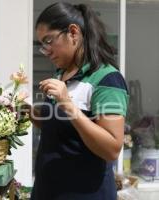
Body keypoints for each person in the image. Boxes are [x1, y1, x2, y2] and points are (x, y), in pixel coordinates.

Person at [29, 2, 129, 200]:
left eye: (49, 41)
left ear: (73, 33)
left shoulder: (106, 79)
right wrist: (27, 112)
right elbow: (61, 129)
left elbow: (111, 148)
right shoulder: (62, 75)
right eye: (42, 45)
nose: (46, 50)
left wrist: (67, 104)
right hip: (48, 191)